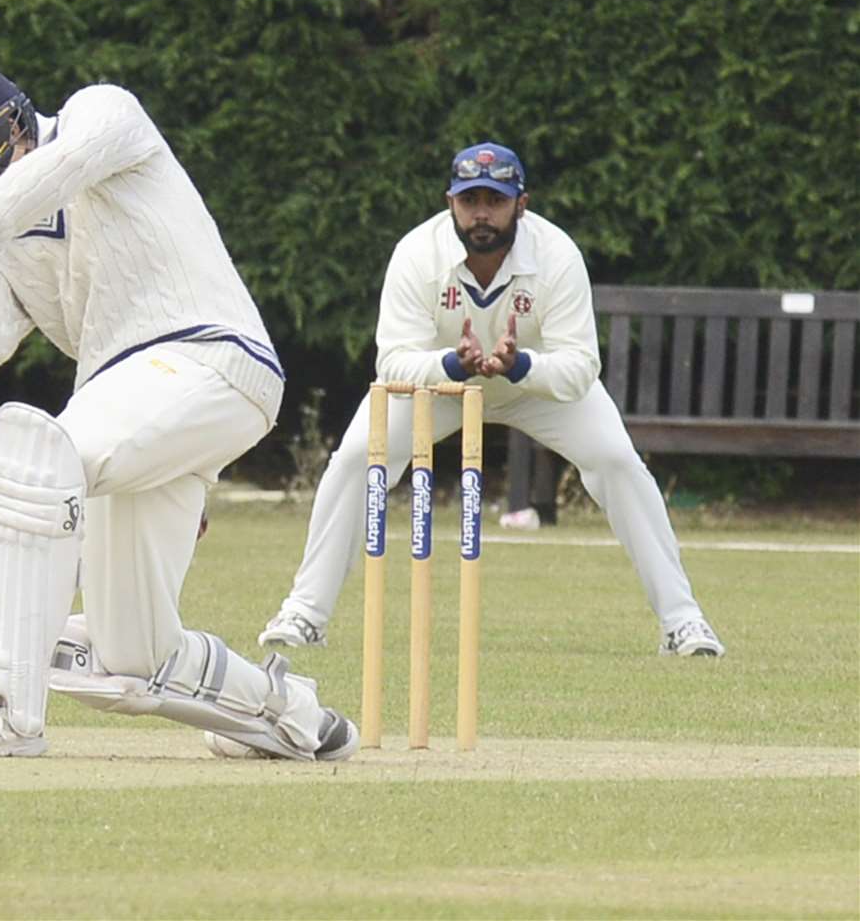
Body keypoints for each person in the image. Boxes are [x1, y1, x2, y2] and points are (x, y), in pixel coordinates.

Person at [0, 61, 358, 761]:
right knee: (132, 650)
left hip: (212, 356)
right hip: (136, 404)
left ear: (9, 126)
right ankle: (291, 716)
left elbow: (52, 174)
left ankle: (4, 709)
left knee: (40, 457)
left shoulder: (103, 116)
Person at [258, 143, 725, 658]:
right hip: (440, 383)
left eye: (495, 201)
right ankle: (305, 612)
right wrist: (453, 365)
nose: (482, 213)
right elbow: (391, 363)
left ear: (521, 204)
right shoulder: (418, 254)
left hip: (535, 383)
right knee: (354, 460)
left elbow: (579, 370)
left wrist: (519, 364)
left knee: (617, 461)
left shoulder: (557, 254)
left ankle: (682, 621)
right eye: (470, 200)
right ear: (450, 202)